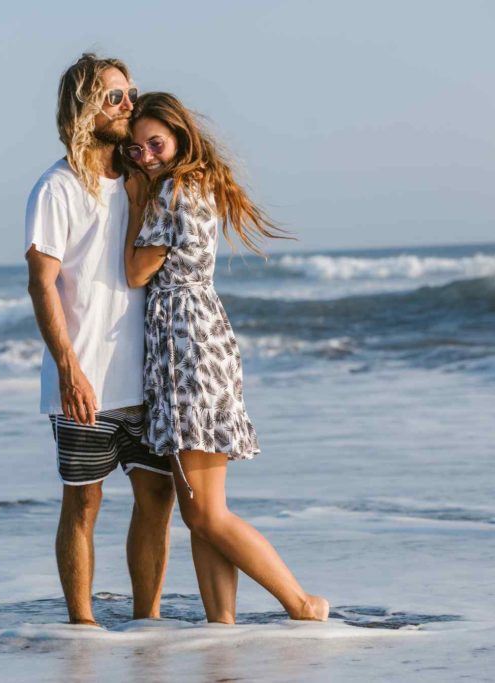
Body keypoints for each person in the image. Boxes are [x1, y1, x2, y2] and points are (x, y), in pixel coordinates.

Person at [123, 92, 329, 623]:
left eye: (155, 143)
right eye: (137, 148)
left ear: (179, 137)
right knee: (200, 513)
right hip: (201, 340)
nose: (146, 154)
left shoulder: (169, 190)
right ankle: (223, 627)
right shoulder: (197, 182)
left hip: (186, 348)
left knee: (208, 513)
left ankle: (301, 603)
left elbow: (136, 272)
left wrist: (133, 200)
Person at [24, 55, 176, 627]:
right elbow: (41, 283)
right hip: (82, 380)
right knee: (83, 503)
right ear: (85, 108)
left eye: (130, 92)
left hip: (147, 379)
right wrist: (69, 368)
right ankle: (82, 628)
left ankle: (149, 623)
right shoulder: (57, 188)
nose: (129, 104)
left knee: (156, 504)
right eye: (115, 97)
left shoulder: (142, 182)